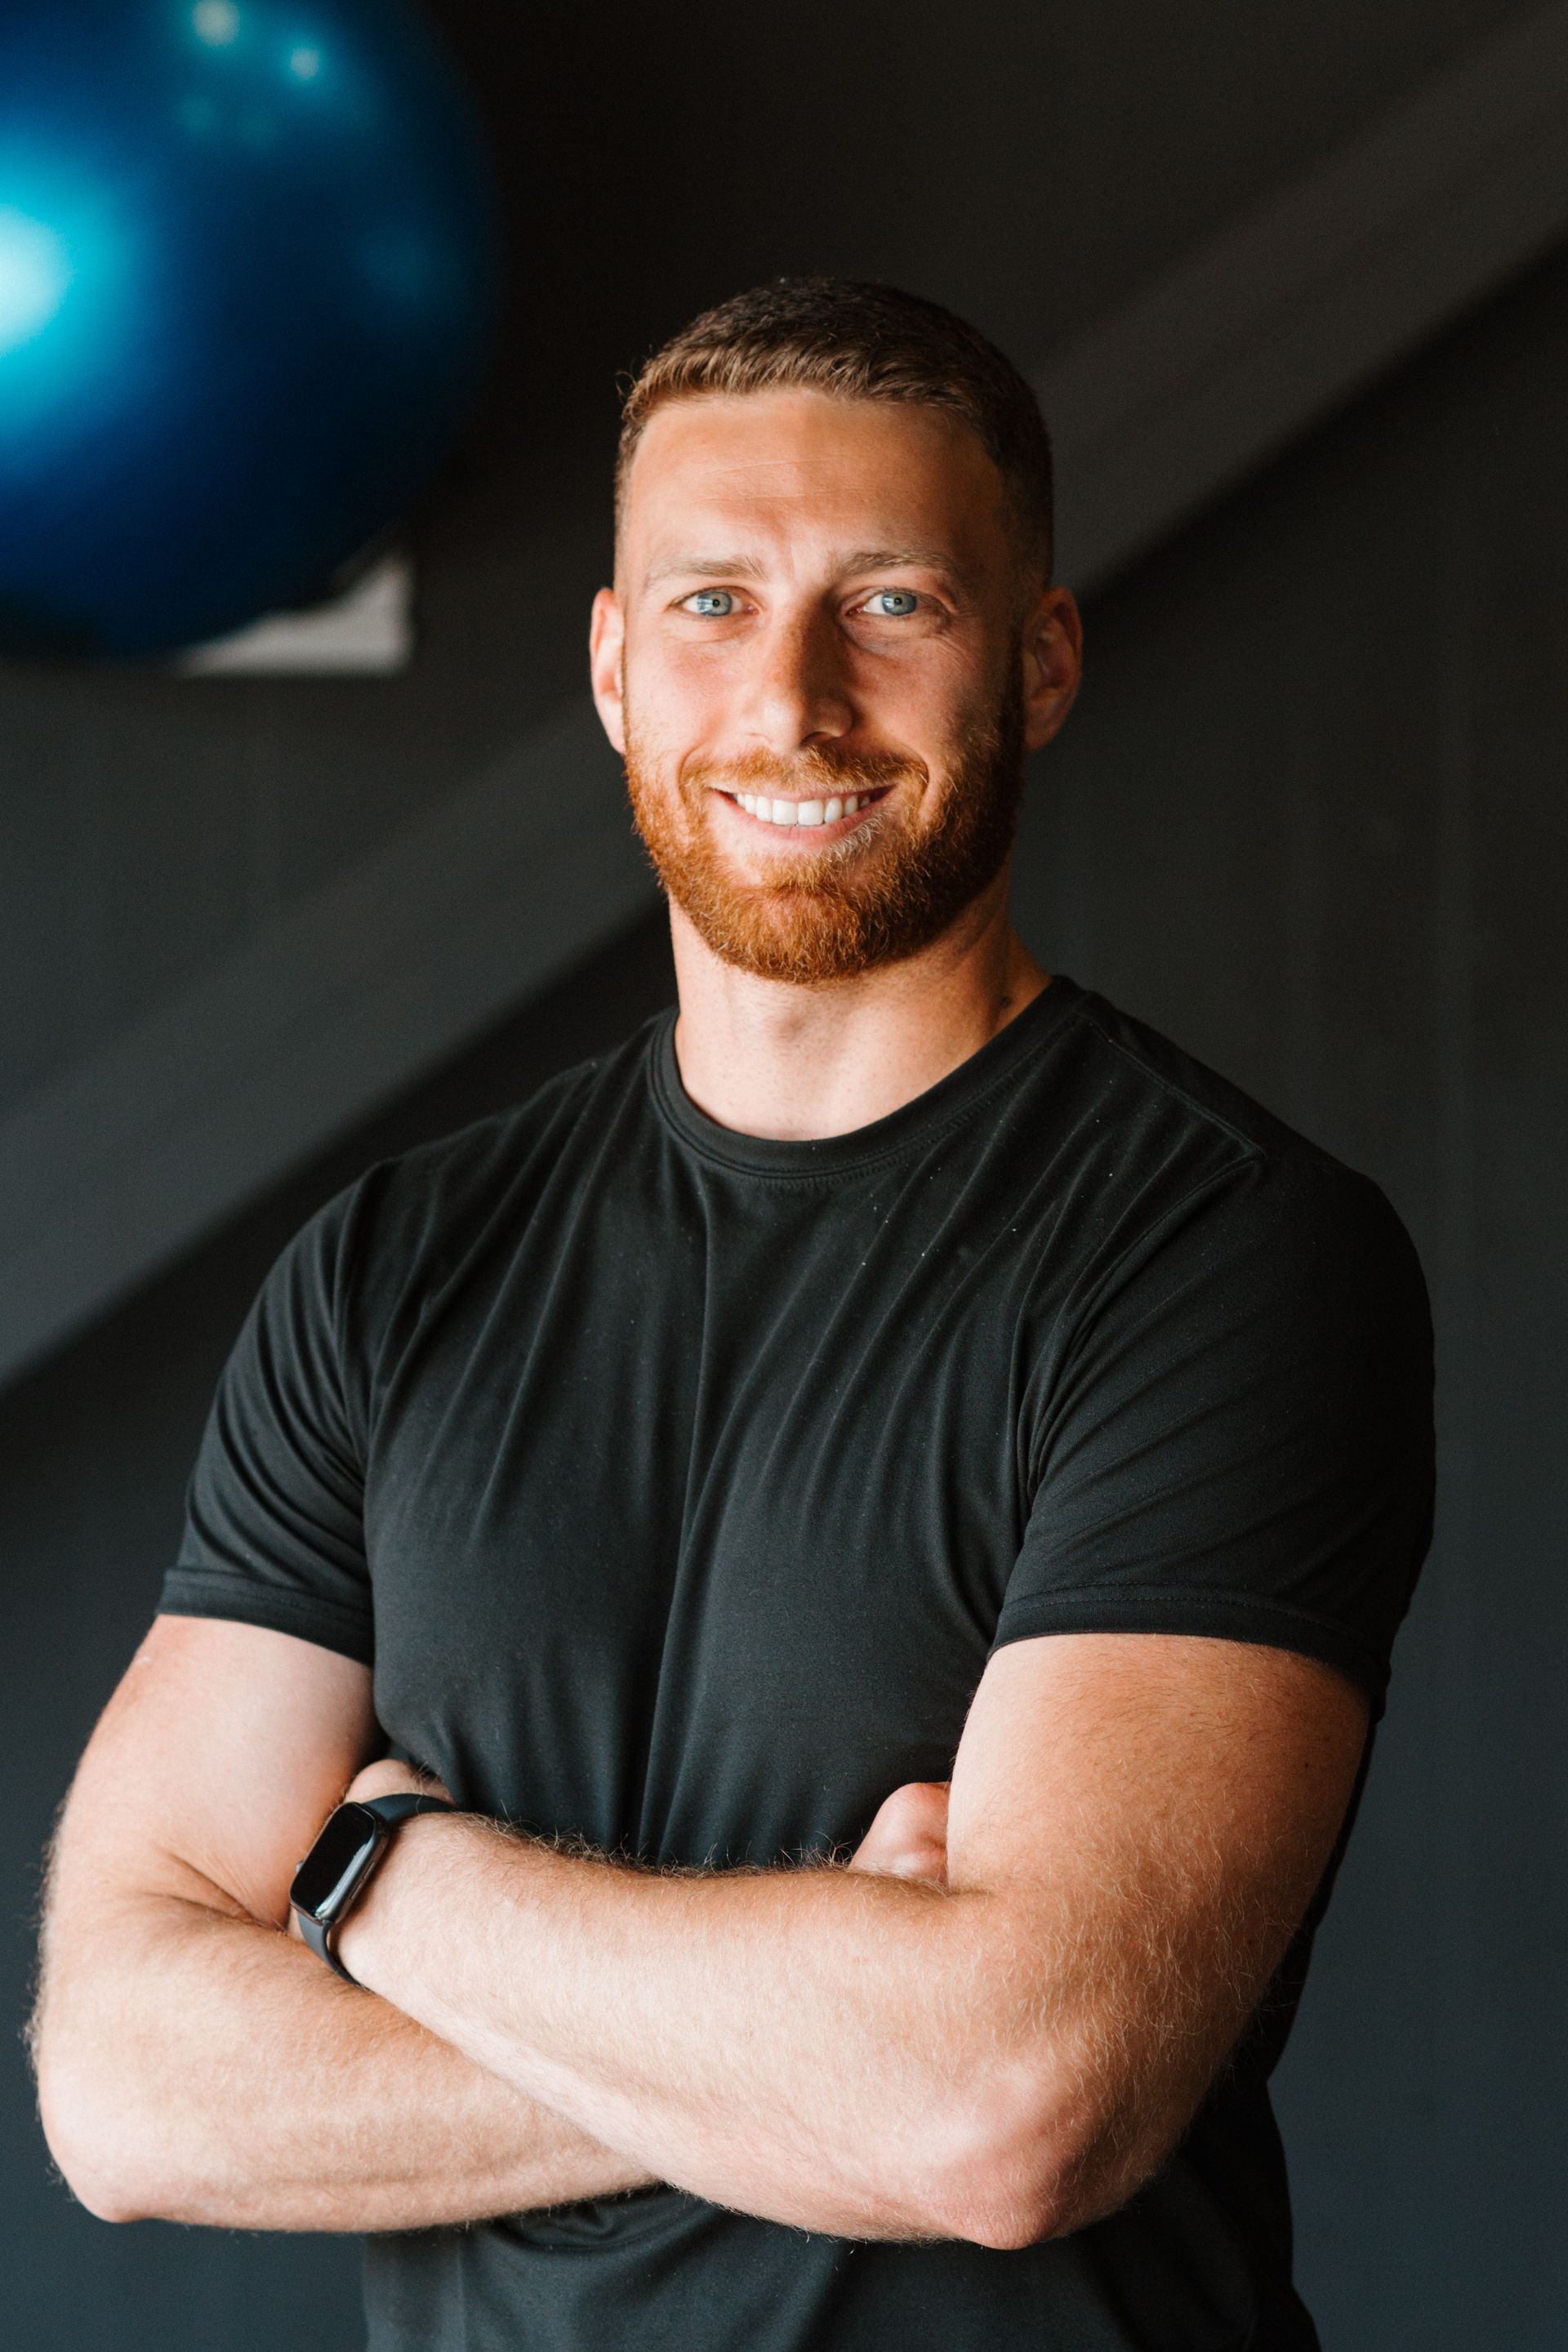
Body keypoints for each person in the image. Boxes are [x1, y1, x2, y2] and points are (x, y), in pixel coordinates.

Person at [31, 278, 1434, 2352]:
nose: (791, 699)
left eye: (890, 604)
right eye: (707, 605)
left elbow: (1004, 2102)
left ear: (1039, 662)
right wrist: (809, 2045)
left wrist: (379, 1877)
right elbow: (127, 2091)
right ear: (611, 665)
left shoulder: (1227, 1253)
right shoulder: (394, 1268)